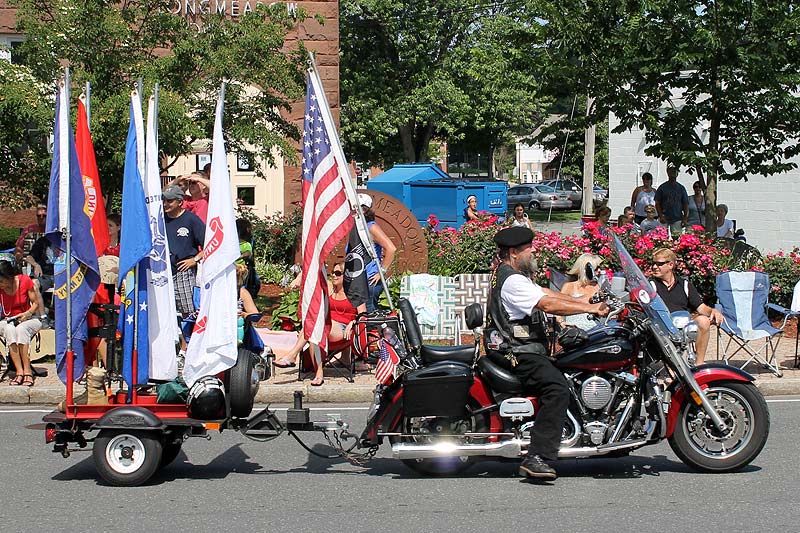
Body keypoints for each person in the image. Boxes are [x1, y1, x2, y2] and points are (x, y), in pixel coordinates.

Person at [484, 227, 609, 480]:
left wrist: (586, 302)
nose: (533, 252)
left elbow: (546, 293)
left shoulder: (511, 275)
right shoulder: (512, 280)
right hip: (517, 352)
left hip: (517, 348)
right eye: (528, 248)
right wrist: (591, 310)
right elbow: (547, 304)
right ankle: (537, 456)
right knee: (557, 389)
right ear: (513, 252)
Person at [274, 262, 358, 387]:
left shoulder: (355, 293)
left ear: (346, 275)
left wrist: (353, 322)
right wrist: (298, 279)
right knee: (314, 328)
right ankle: (318, 373)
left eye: (338, 273)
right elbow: (312, 271)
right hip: (324, 326)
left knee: (315, 325)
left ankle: (292, 355)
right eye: (332, 273)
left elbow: (364, 316)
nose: (334, 276)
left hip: (343, 329)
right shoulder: (330, 288)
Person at [649, 248, 723, 366]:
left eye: (659, 264)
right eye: (653, 263)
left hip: (683, 324)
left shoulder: (684, 285)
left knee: (703, 321)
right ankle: (672, 369)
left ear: (670, 265)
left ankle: (699, 364)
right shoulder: (651, 285)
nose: (654, 267)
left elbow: (701, 307)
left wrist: (713, 311)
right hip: (662, 326)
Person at [162, 185, 206, 354]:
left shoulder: (191, 220)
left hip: (183, 270)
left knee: (187, 310)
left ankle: (191, 346)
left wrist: (194, 260)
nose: (166, 204)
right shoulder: (160, 219)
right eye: (164, 200)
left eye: (170, 201)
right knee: (167, 310)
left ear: (180, 202)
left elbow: (209, 243)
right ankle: (176, 346)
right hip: (163, 271)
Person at [0, 260, 42, 386]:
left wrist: (27, 313)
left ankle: (27, 371)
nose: (0, 284)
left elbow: (36, 303)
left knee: (21, 329)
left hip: (28, 317)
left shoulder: (24, 280)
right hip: (8, 320)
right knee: (10, 329)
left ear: (9, 277)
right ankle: (19, 371)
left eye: (1, 281)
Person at [352, 193, 396, 313]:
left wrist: (381, 272)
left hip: (370, 280)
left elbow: (391, 248)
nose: (352, 211)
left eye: (355, 208)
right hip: (358, 280)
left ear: (364, 210)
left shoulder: (371, 227)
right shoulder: (357, 228)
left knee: (370, 315)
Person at [558, 253, 603, 330]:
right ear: (585, 270)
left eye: (600, 268)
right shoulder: (570, 286)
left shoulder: (598, 286)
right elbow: (557, 307)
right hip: (576, 333)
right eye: (596, 269)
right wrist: (561, 322)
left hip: (597, 331)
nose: (599, 271)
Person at [23, 234, 55, 328]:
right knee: (33, 284)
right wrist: (36, 265)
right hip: (45, 275)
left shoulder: (65, 241)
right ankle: (43, 317)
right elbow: (29, 257)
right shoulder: (43, 241)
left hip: (63, 275)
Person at [654, 166, 689, 234]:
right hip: (664, 217)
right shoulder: (662, 187)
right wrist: (660, 215)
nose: (673, 173)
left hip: (677, 218)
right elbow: (657, 202)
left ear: (677, 173)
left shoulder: (681, 188)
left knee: (677, 237)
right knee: (662, 237)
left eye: (674, 171)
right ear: (667, 172)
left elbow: (685, 204)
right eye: (671, 171)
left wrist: (685, 218)